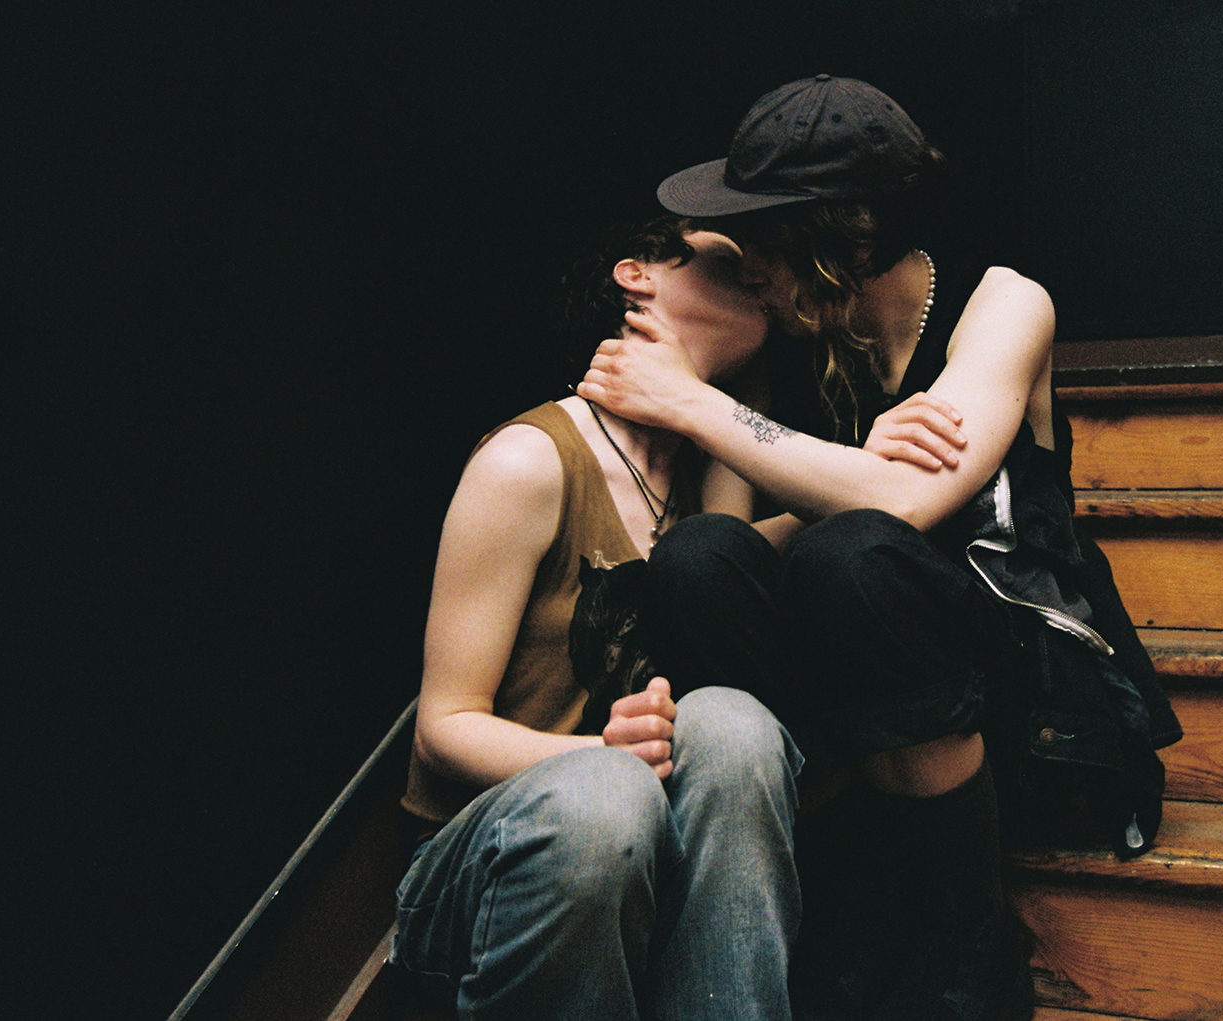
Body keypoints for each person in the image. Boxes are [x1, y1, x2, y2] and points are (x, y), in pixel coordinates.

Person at [577, 76, 1181, 1021]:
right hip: (862, 704)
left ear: (839, 245)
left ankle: (965, 927)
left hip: (1013, 704)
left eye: (761, 245)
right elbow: (743, 543)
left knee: (854, 552)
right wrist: (846, 465)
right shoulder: (804, 339)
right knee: (695, 558)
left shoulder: (1003, 304)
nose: (748, 272)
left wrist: (694, 403)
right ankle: (847, 883)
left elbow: (902, 506)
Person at [391, 217, 964, 1020]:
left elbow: (761, 551)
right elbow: (441, 728)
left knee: (733, 724)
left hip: (643, 848)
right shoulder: (527, 461)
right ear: (639, 277)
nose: (758, 278)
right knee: (607, 796)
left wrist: (869, 462)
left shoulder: (705, 468)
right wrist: (601, 753)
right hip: (476, 869)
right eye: (729, 265)